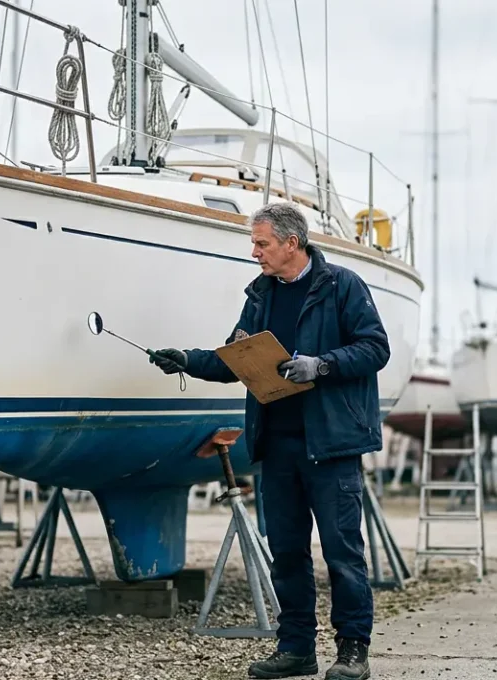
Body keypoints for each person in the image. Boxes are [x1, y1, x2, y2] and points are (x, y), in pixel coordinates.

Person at [149, 201, 388, 680]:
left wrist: (321, 365)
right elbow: (234, 359)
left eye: (262, 243)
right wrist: (188, 360)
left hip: (331, 447)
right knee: (287, 554)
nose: (254, 252)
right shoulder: (259, 295)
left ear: (291, 243)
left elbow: (375, 348)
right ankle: (296, 649)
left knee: (342, 554)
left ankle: (353, 651)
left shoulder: (343, 285)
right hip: (276, 447)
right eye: (254, 243)